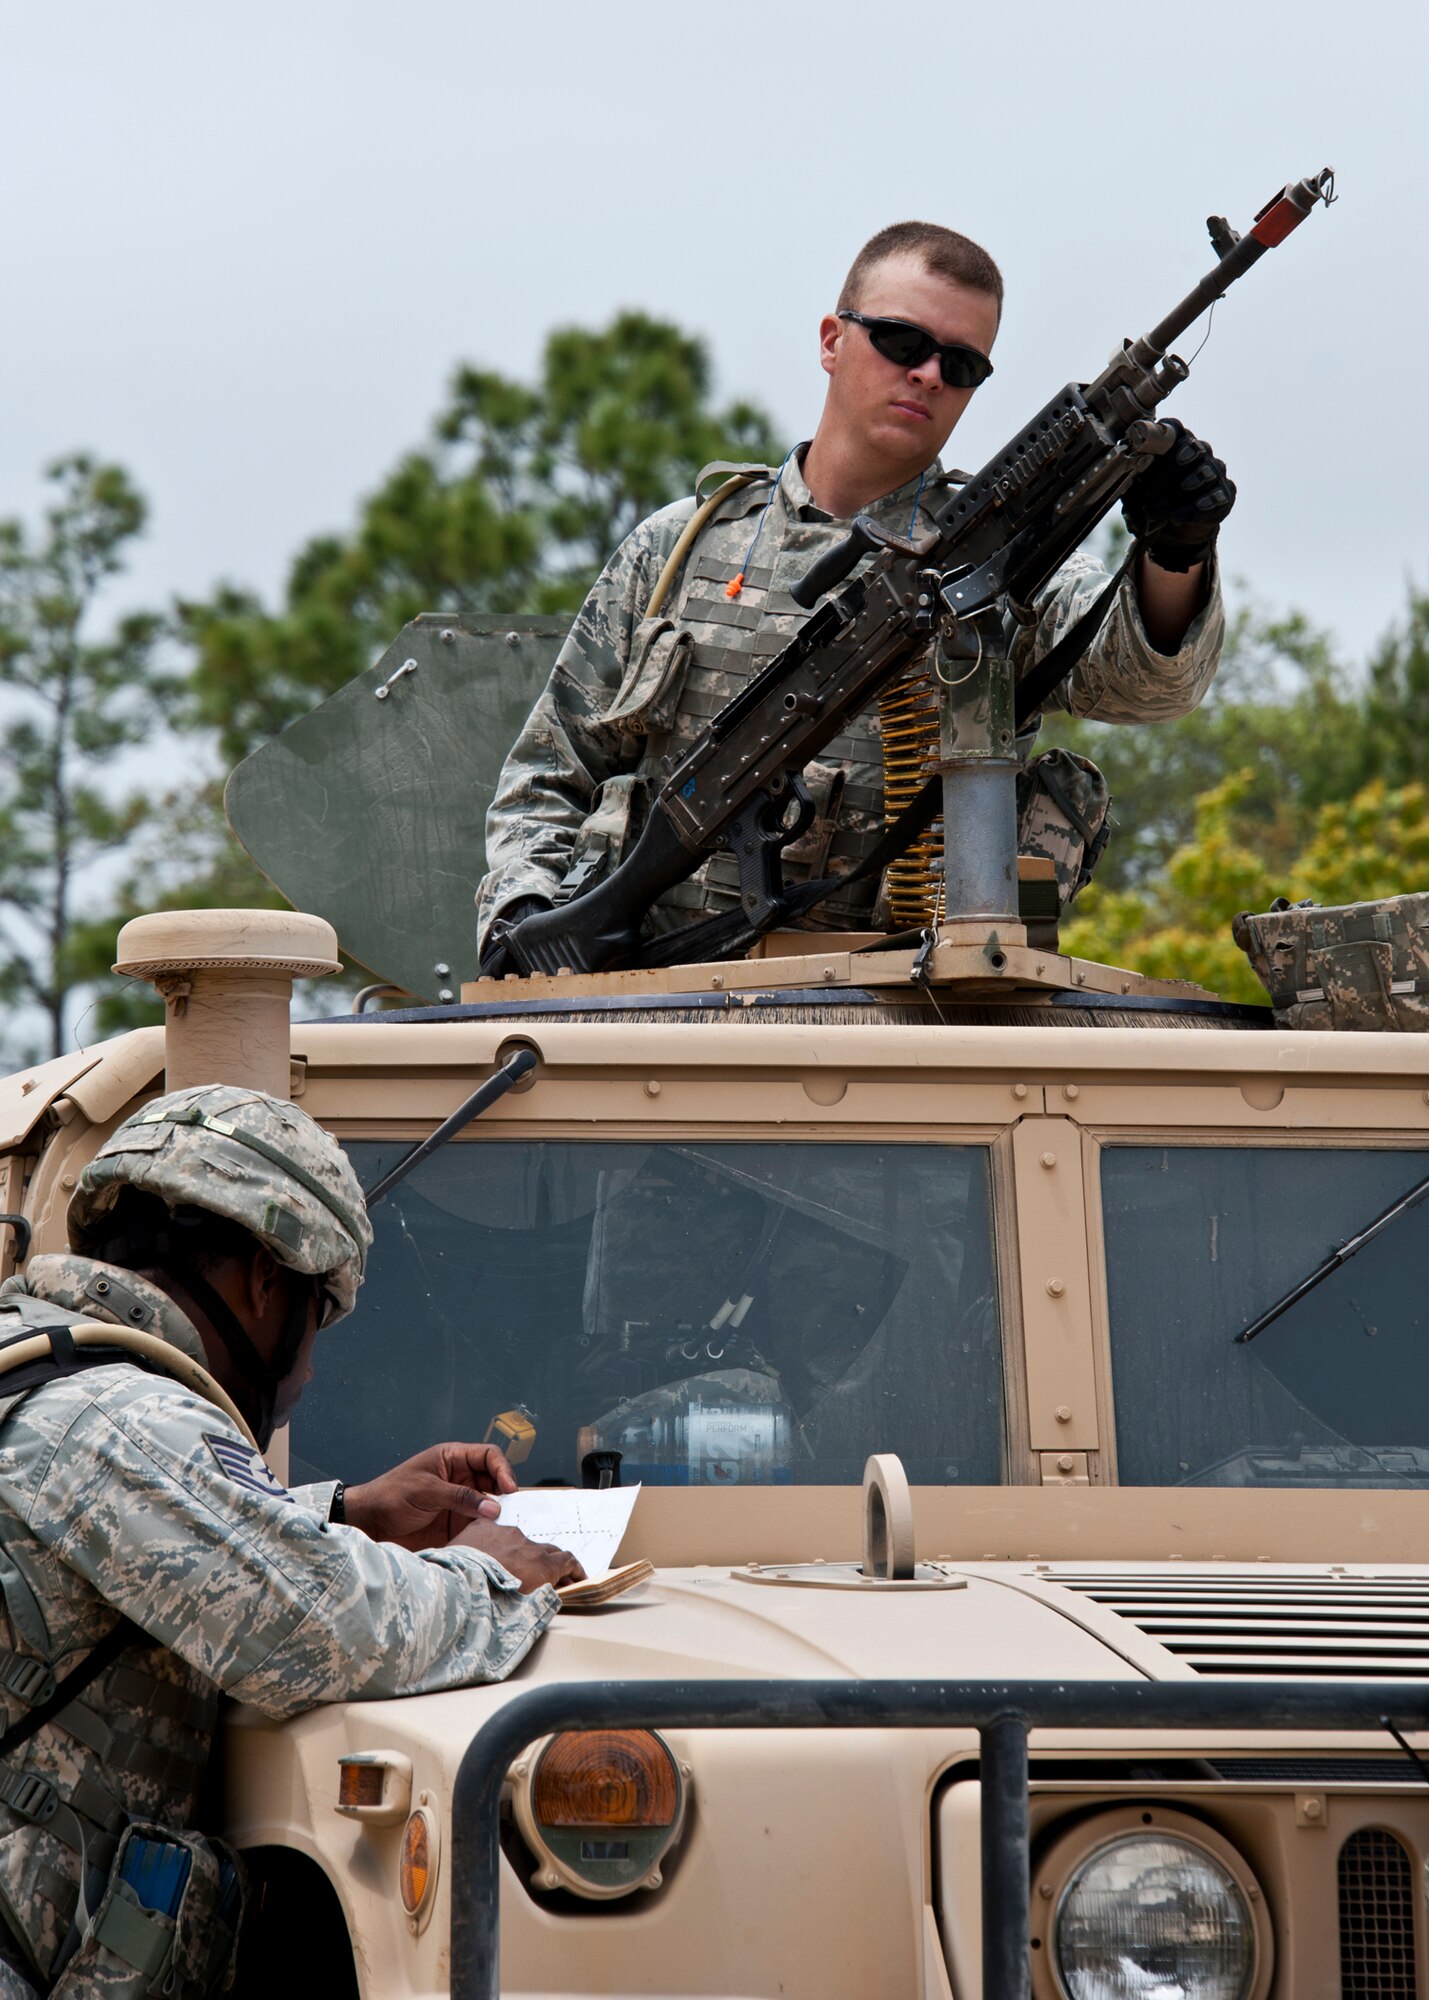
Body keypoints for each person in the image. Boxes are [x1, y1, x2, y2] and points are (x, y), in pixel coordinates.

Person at [476, 220, 1233, 965]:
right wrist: (529, 920)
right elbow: (549, 771)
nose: (929, 374)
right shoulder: (680, 547)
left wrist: (1177, 550)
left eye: (962, 365)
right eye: (903, 342)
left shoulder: (993, 567)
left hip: (894, 1013)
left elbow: (1145, 687)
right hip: (657, 1010)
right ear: (832, 340)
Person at [0, 1082, 583, 1997]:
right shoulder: (118, 1413)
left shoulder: (47, 1374)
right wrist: (490, 1574)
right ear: (267, 1282)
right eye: (318, 1320)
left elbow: (142, 1548)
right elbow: (322, 1631)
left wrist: (346, 1513)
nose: (308, 1371)